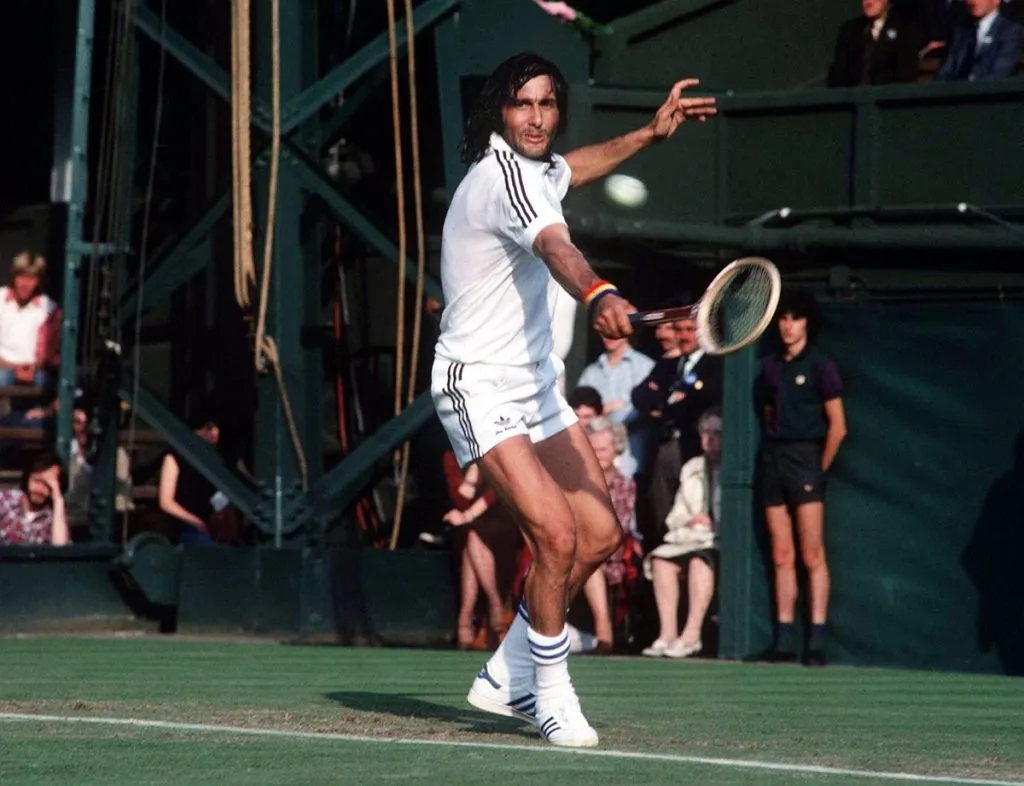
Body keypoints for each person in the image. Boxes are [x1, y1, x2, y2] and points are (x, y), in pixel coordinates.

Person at [430, 51, 715, 747]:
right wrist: (600, 293)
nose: (536, 118)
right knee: (555, 535)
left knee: (599, 535)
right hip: (477, 382)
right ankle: (549, 695)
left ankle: (507, 672)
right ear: (500, 111)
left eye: (547, 104)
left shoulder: (538, 171)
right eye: (522, 104)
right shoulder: (500, 180)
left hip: (535, 386)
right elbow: (559, 247)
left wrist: (648, 134)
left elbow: (573, 169)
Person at [756, 291, 847, 667]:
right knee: (782, 555)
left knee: (812, 554)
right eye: (783, 318)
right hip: (774, 462)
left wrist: (817, 467)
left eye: (795, 318)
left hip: (806, 461)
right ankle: (783, 641)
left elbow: (838, 427)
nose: (788, 326)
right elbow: (768, 413)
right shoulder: (769, 367)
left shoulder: (822, 365)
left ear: (808, 322)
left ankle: (816, 643)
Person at [642, 407, 721, 659]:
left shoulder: (733, 469)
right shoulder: (692, 467)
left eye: (717, 433)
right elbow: (674, 517)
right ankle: (667, 635)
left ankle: (691, 636)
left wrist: (714, 524)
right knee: (661, 561)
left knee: (700, 562)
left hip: (716, 543)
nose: (709, 439)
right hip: (688, 538)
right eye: (705, 432)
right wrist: (691, 520)